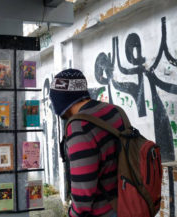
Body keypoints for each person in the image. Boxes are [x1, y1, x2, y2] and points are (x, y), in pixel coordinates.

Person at [49, 69, 124, 217]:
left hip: (102, 211)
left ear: (61, 99)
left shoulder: (79, 127)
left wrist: (74, 214)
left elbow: (83, 191)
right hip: (127, 204)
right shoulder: (114, 111)